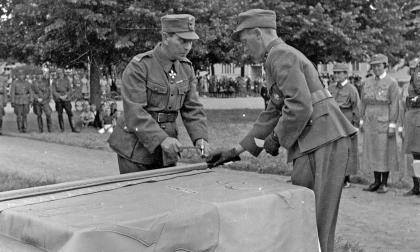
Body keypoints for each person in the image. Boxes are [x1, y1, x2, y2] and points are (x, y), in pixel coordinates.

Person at [205, 9, 357, 252]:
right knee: (308, 215)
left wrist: (277, 137)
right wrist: (235, 150)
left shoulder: (280, 54)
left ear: (257, 33)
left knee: (315, 218)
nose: (245, 48)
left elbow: (300, 105)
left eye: (245, 41)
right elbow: (272, 112)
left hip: (321, 140)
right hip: (317, 139)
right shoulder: (277, 56)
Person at [108, 13, 209, 174]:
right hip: (135, 148)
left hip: (167, 149)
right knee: (139, 197)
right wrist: (162, 139)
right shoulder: (140, 67)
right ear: (165, 37)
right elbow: (135, 112)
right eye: (182, 40)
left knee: (165, 196)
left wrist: (200, 138)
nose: (188, 47)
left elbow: (192, 109)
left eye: (190, 41)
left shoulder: (186, 68)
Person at [361, 54, 399, 194]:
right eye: (374, 65)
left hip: (384, 119)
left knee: (384, 151)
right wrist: (361, 119)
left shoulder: (392, 83)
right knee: (373, 150)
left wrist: (392, 124)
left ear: (385, 66)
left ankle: (384, 183)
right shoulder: (368, 82)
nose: (376, 68)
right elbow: (363, 101)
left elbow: (395, 104)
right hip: (370, 121)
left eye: (379, 65)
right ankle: (376, 181)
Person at [329, 63, 361, 188]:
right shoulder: (331, 88)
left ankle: (346, 179)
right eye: (335, 72)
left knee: (346, 150)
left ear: (346, 74)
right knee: (334, 150)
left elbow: (356, 108)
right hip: (333, 122)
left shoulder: (352, 89)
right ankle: (335, 177)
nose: (336, 75)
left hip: (346, 121)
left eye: (339, 73)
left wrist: (355, 126)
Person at [400, 58, 420, 196]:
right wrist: (401, 126)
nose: (413, 71)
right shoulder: (407, 87)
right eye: (411, 69)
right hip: (410, 120)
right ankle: (416, 185)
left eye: (415, 68)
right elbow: (403, 107)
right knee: (415, 156)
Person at [10, 68, 32, 133]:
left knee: (25, 115)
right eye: (20, 75)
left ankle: (24, 128)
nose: (21, 76)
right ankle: (20, 128)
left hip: (25, 100)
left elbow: (30, 92)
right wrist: (12, 101)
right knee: (19, 116)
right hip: (17, 100)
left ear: (24, 75)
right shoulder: (14, 83)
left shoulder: (27, 83)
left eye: (22, 75)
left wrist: (31, 99)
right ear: (18, 76)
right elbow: (12, 93)